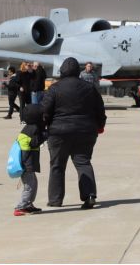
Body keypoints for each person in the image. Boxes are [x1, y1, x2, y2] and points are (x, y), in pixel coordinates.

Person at [42, 56, 106, 210]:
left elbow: (45, 111)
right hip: (86, 131)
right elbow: (100, 109)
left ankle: (55, 200)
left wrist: (45, 127)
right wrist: (100, 125)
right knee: (83, 162)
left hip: (59, 132)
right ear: (78, 71)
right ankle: (89, 195)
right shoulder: (89, 87)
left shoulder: (54, 88)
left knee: (57, 165)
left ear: (62, 70)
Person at [13, 103, 46, 217]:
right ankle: (21, 207)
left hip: (26, 161)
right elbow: (34, 142)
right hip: (27, 162)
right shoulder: (34, 128)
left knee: (33, 183)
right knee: (30, 186)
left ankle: (28, 205)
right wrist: (46, 134)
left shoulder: (28, 127)